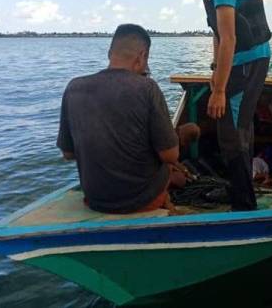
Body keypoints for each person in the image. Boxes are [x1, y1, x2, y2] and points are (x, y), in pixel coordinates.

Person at [159, 0, 272, 211]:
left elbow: (231, 36)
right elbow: (218, 32)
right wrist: (214, 70)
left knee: (233, 134)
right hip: (236, 60)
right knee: (232, 131)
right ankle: (239, 189)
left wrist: (219, 89)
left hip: (249, 60)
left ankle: (244, 205)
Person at [57, 24, 184, 214]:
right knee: (179, 174)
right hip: (140, 201)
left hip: (95, 200)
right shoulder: (147, 88)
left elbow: (68, 154)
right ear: (142, 57)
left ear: (110, 53)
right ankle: (165, 202)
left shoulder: (73, 87)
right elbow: (170, 155)